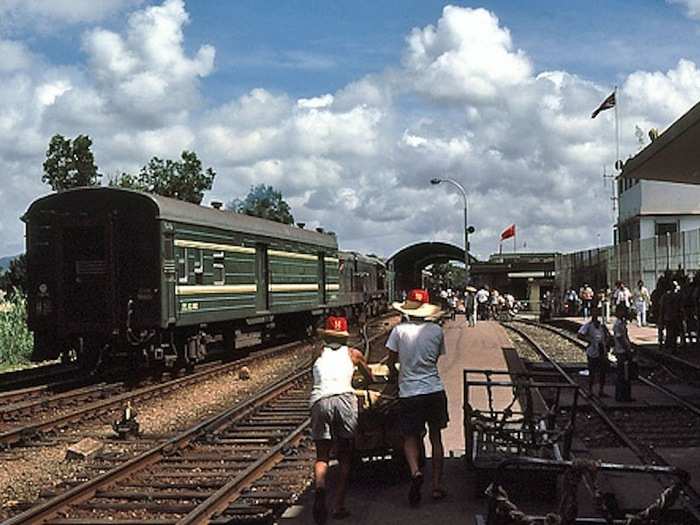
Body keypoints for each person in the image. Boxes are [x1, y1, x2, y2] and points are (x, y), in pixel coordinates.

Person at [386, 289, 449, 507]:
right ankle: (437, 485)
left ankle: (415, 472)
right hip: (434, 389)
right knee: (436, 437)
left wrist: (396, 373)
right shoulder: (437, 331)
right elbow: (436, 358)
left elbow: (391, 360)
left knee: (410, 437)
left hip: (409, 393)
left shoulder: (399, 331)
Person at [310, 315, 374, 524]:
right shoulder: (353, 354)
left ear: (326, 336)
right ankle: (338, 505)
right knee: (346, 456)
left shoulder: (317, 352)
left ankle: (320, 489)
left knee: (322, 456)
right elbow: (369, 376)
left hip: (320, 401)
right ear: (345, 337)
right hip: (344, 400)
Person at [577, 308, 610, 396]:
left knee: (602, 372)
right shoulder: (588, 326)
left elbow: (608, 336)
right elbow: (579, 335)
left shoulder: (602, 326)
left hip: (602, 351)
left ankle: (601, 390)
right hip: (592, 351)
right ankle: (590, 390)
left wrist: (606, 342)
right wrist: (589, 340)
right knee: (592, 372)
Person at [612, 305, 635, 402]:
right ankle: (620, 395)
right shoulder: (618, 324)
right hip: (621, 351)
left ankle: (625, 395)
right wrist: (627, 349)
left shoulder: (622, 323)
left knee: (626, 374)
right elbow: (620, 338)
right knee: (622, 374)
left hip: (624, 350)